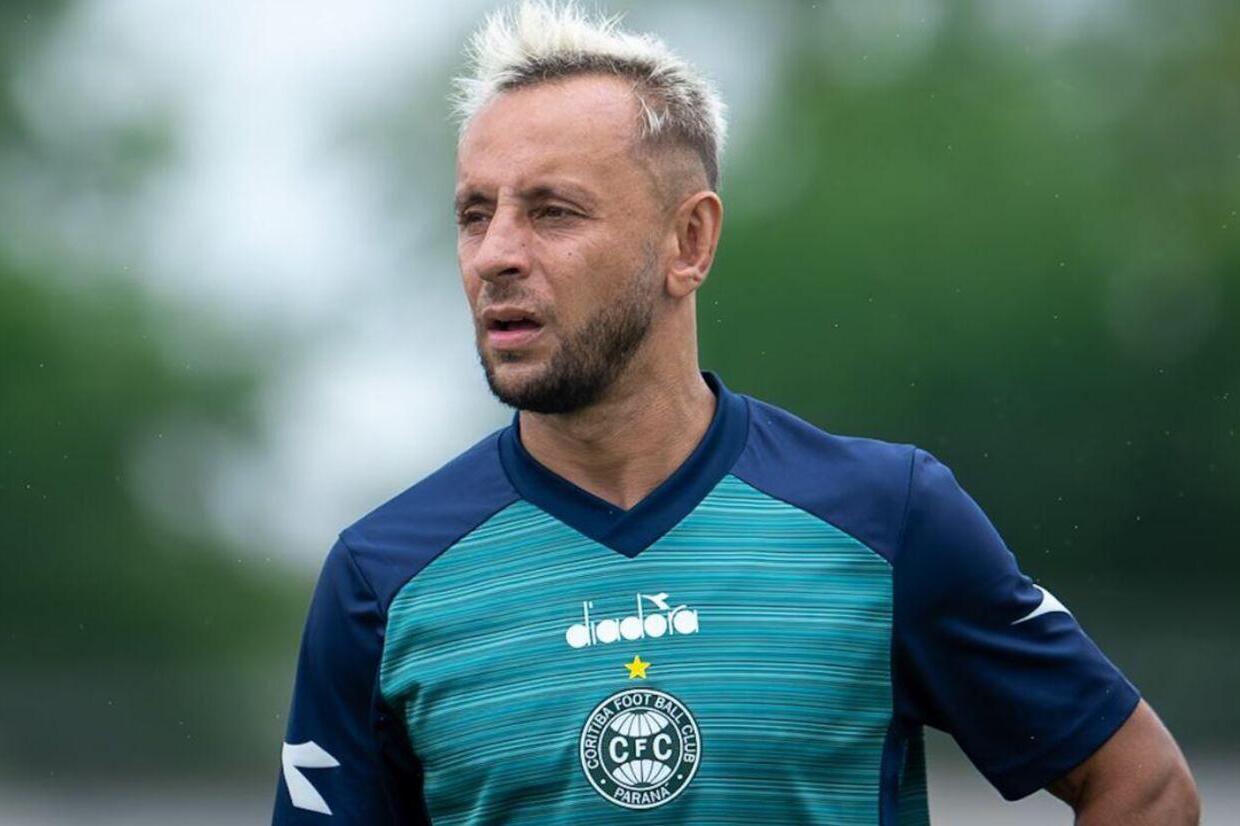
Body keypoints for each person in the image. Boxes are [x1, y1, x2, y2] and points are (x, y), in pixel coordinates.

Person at [271, 2, 1199, 823]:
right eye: (476, 214)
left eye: (553, 212)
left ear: (690, 241)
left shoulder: (888, 519)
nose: (495, 255)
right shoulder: (381, 581)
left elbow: (1143, 785)